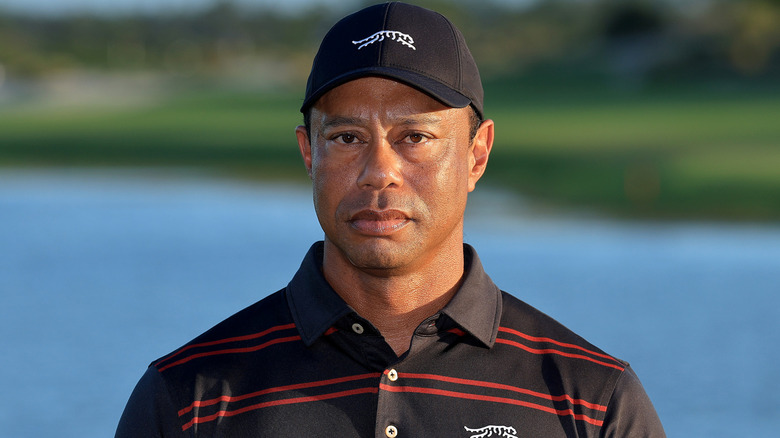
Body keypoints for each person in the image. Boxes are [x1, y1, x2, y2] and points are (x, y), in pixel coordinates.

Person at [116, 2, 665, 437]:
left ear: (476, 155)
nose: (380, 172)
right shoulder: (186, 398)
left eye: (415, 137)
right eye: (347, 138)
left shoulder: (594, 401)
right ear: (309, 153)